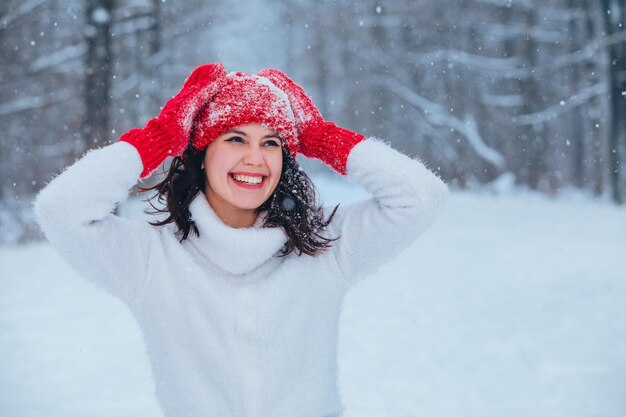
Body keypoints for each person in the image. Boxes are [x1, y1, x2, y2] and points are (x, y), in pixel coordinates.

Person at [34, 63, 449, 417]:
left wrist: (323, 137)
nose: (255, 158)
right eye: (235, 138)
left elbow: (420, 197)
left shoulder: (324, 244)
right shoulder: (150, 257)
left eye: (271, 142)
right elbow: (60, 210)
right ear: (201, 153)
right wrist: (160, 136)